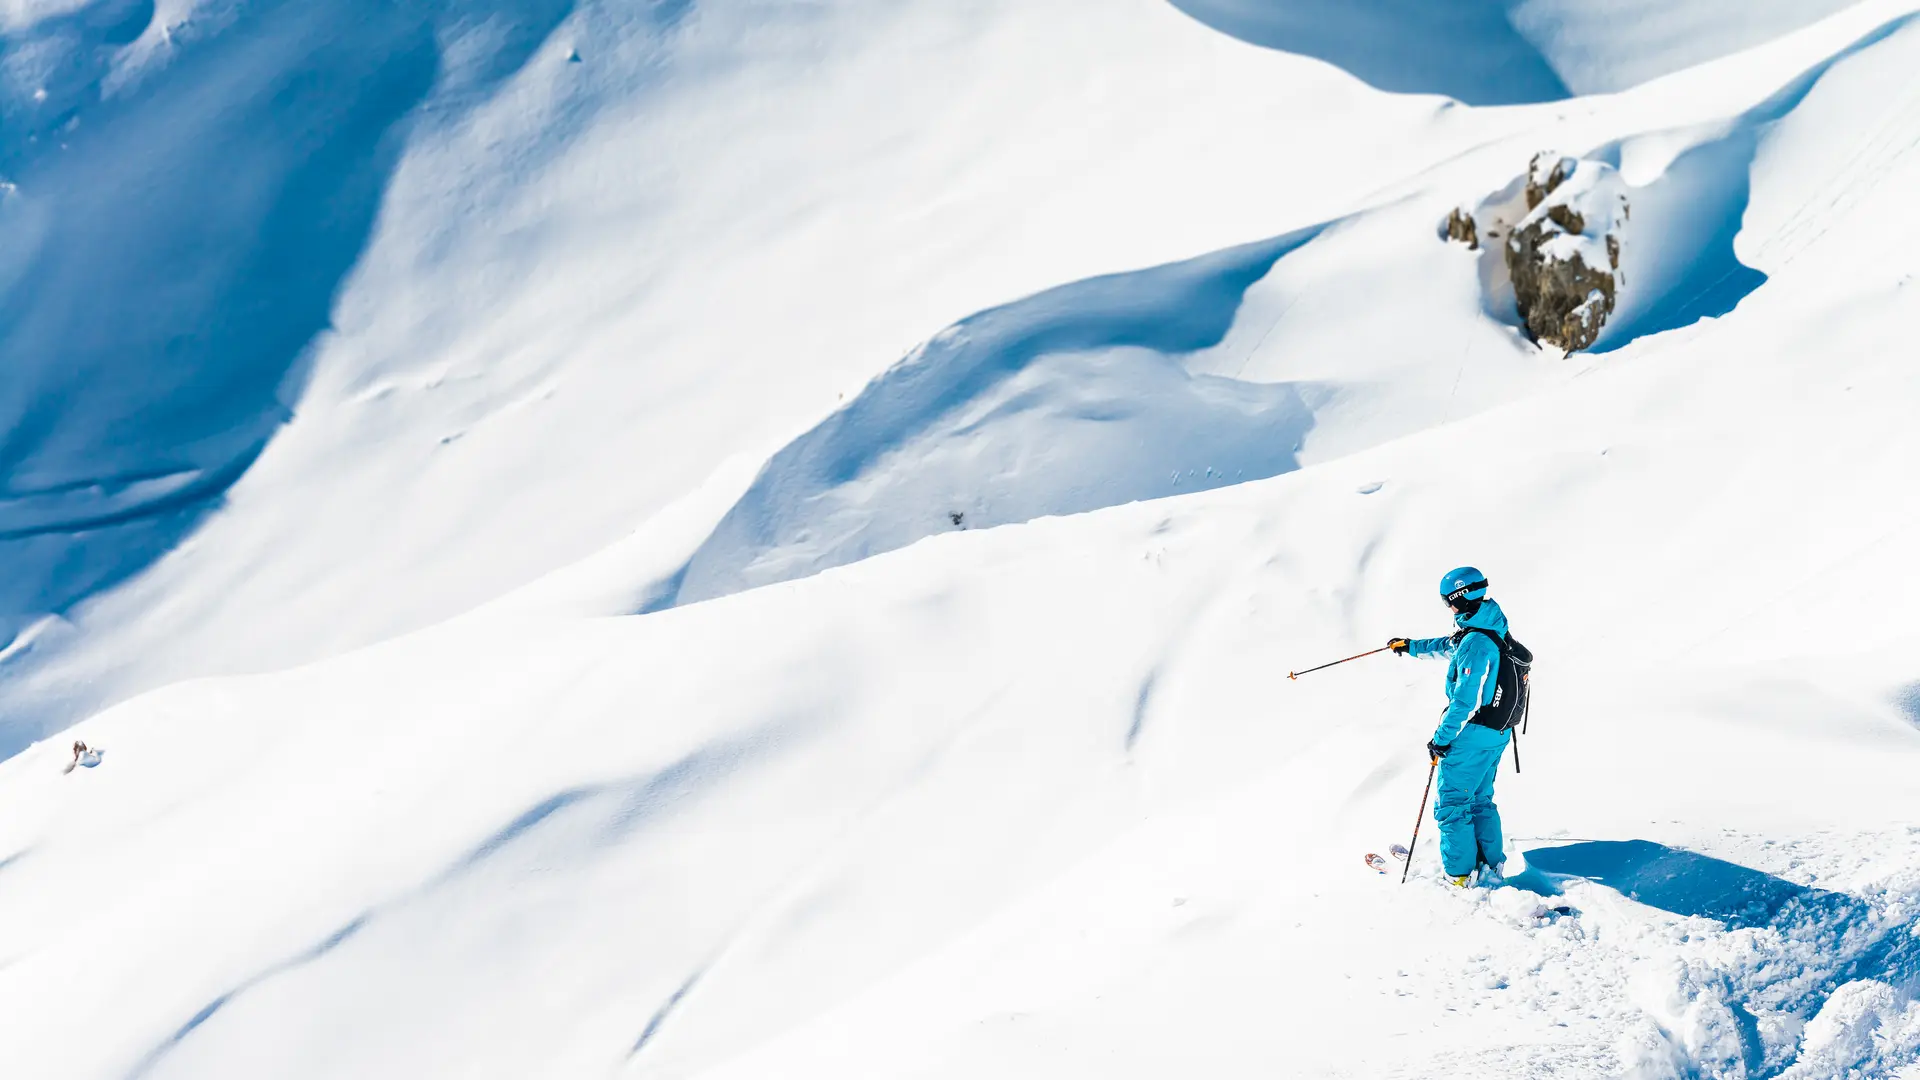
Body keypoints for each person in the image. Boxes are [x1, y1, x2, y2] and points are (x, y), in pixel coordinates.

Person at [1388, 567, 1514, 887]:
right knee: (1480, 799)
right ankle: (1490, 863)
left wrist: (1441, 739)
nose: (1448, 607)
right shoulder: (1489, 628)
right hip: (1498, 732)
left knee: (1452, 806)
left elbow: (1464, 701)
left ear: (1459, 597)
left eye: (1448, 601)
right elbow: (1447, 645)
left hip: (1473, 732)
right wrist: (1410, 646)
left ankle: (1458, 875)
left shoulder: (1475, 641)